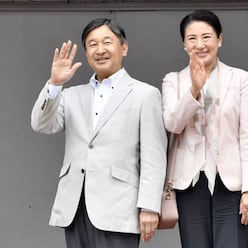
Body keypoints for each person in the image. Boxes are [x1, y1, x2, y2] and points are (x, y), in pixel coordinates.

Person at [31, 18, 167, 248]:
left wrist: (149, 206)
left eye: (107, 42)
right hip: (75, 205)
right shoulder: (72, 95)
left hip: (119, 206)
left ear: (123, 48)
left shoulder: (145, 95)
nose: (100, 50)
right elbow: (41, 124)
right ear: (86, 53)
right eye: (92, 44)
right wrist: (54, 84)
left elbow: (154, 156)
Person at [161, 10, 248, 248]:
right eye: (192, 38)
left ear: (219, 39)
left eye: (206, 37)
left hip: (230, 184)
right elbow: (172, 125)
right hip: (189, 183)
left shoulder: (240, 78)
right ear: (184, 44)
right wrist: (194, 90)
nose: (200, 44)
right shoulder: (173, 80)